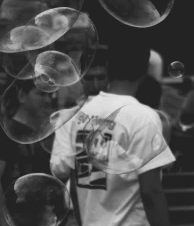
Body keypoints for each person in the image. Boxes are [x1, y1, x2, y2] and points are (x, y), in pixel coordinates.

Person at [50, 39, 175, 226]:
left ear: (108, 68)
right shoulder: (143, 116)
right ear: (145, 72)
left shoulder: (80, 114)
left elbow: (76, 182)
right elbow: (151, 190)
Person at [0, 79, 55, 226]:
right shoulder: (3, 132)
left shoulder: (44, 132)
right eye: (41, 94)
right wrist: (4, 223)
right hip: (13, 217)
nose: (48, 100)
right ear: (22, 96)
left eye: (50, 95)